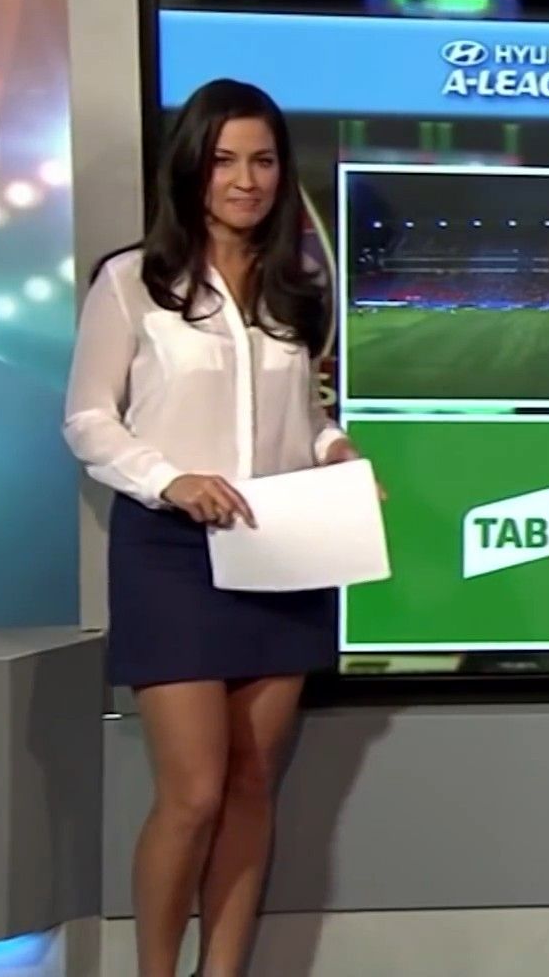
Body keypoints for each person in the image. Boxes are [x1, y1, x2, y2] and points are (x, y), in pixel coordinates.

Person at [63, 78, 367, 977]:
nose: (246, 180)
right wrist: (170, 480)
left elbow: (302, 414)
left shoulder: (296, 290)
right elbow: (88, 419)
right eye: (226, 160)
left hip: (282, 545)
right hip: (170, 555)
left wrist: (335, 448)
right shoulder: (132, 282)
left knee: (249, 786)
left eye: (263, 161)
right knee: (193, 792)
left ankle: (224, 971)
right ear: (191, 168)